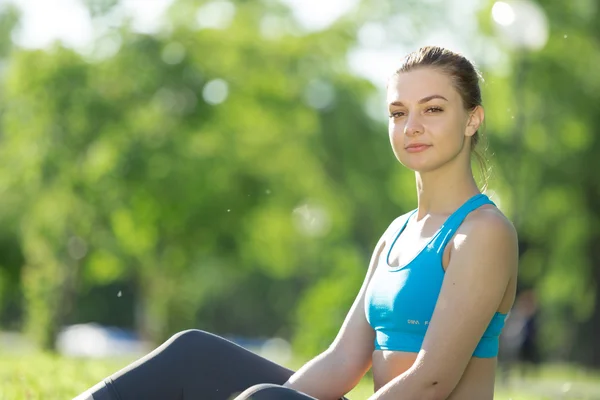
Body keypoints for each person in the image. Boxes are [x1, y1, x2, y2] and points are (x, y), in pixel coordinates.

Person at [75, 45, 519, 400]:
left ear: (472, 119)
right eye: (399, 112)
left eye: (434, 109)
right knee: (194, 354)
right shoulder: (397, 233)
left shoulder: (481, 232)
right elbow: (344, 361)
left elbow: (433, 382)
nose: (412, 126)